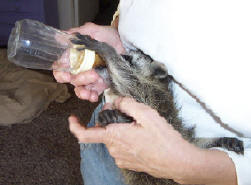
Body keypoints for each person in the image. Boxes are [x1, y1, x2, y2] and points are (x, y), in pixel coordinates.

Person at [54, 1, 251, 185]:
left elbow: (139, 87)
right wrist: (118, 29)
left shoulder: (155, 98)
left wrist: (191, 165)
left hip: (211, 170)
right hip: (110, 140)